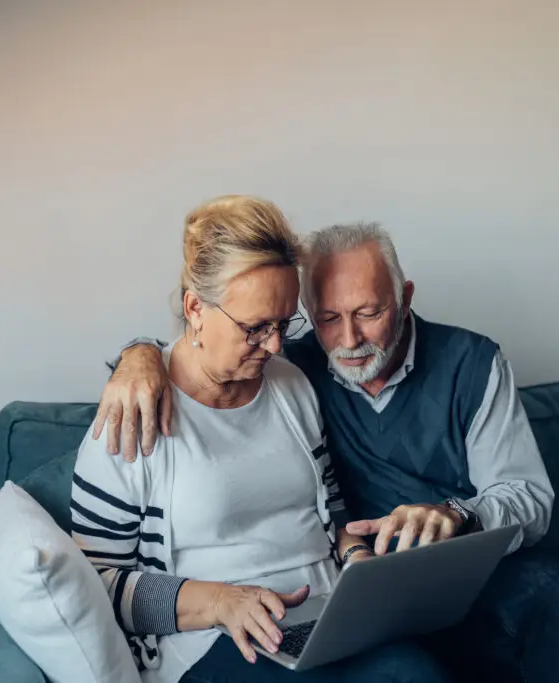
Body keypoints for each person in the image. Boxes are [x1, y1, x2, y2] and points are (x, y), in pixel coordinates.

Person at [98, 221, 559, 683]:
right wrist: (137, 355)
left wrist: (459, 514)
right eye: (327, 318)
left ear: (406, 298)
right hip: (365, 596)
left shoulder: (472, 363)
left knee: (554, 590)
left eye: (369, 313)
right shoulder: (292, 369)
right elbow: (213, 347)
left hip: (455, 575)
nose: (349, 338)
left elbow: (530, 500)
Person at [71, 198, 453, 683]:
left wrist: (357, 562)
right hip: (212, 641)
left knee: (420, 674)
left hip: (327, 618)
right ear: (195, 308)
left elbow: (331, 514)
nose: (275, 346)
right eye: (255, 329)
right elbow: (93, 586)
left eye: (284, 324)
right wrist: (220, 601)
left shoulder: (292, 385)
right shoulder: (132, 409)